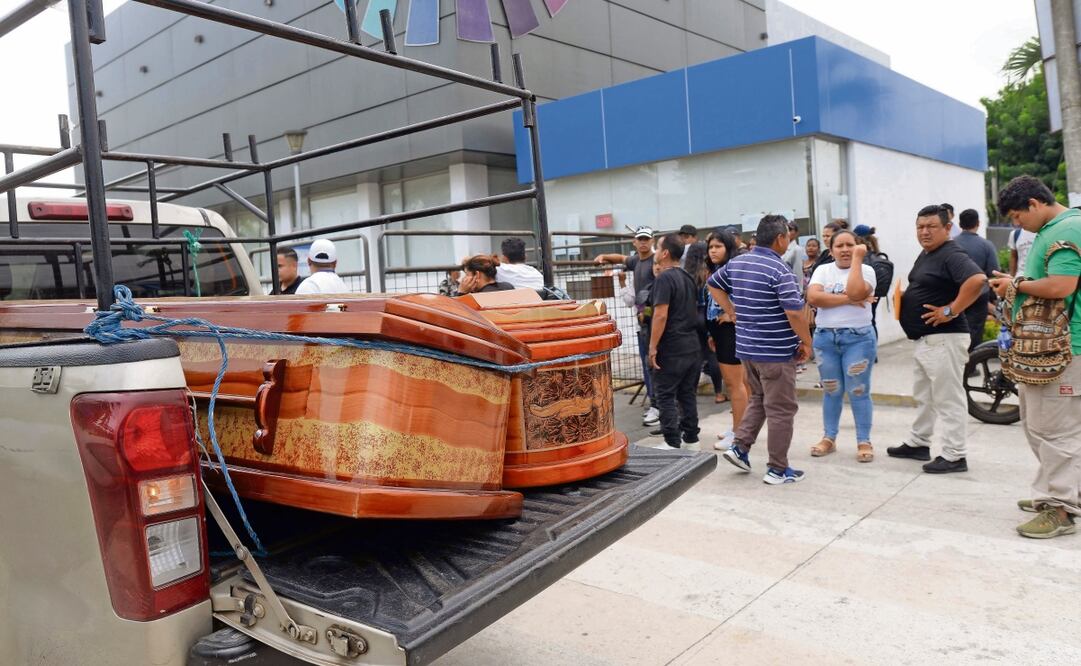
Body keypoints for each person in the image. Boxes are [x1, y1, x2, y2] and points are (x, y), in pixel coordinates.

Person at [990, 175, 1081, 539]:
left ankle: (1058, 507)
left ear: (1033, 204)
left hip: (1063, 346)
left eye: (1016, 217)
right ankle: (1064, 491)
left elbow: (1062, 286)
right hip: (1049, 347)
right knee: (1039, 423)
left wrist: (1015, 284)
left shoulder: (1068, 228)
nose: (1017, 226)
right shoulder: (1056, 227)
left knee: (1053, 429)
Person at [707, 215, 812, 485]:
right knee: (781, 410)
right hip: (775, 352)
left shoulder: (739, 262)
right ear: (780, 238)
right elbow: (794, 312)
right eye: (787, 236)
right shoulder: (780, 270)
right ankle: (778, 469)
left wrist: (731, 311)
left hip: (748, 350)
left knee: (759, 399)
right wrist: (806, 342)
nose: (788, 241)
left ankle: (740, 447)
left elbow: (712, 284)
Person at [887, 205, 987, 474]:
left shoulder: (951, 253)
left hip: (945, 338)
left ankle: (955, 455)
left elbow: (977, 279)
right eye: (920, 227)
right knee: (925, 396)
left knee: (948, 398)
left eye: (931, 226)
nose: (924, 231)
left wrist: (950, 310)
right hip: (927, 339)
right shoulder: (929, 253)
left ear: (947, 228)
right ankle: (919, 442)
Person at [806, 230, 878, 462]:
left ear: (858, 247)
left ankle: (863, 440)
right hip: (826, 338)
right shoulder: (822, 270)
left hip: (858, 338)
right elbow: (814, 298)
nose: (845, 249)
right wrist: (850, 299)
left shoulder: (866, 270)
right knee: (831, 390)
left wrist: (857, 260)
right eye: (840, 246)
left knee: (858, 390)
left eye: (850, 245)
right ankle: (829, 437)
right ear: (831, 250)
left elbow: (858, 290)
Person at [596, 227, 659, 426]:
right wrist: (604, 255)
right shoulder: (636, 261)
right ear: (634, 242)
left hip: (655, 318)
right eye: (640, 239)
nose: (643, 243)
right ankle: (657, 404)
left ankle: (659, 406)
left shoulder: (655, 261)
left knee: (654, 364)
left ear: (652, 241)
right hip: (644, 320)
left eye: (646, 239)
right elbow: (621, 258)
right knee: (649, 364)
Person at [646, 234, 702, 449]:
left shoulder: (664, 279)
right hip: (691, 345)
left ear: (666, 253)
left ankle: (671, 441)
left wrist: (652, 347)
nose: (655, 252)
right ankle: (691, 438)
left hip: (672, 346)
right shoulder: (687, 277)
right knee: (687, 393)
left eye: (658, 248)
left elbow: (660, 314)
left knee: (666, 394)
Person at [704, 229, 748, 449]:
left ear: (728, 248)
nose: (713, 251)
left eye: (718, 246)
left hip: (732, 332)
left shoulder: (734, 269)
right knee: (739, 384)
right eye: (711, 247)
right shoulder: (718, 269)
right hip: (720, 332)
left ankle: (739, 435)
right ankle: (739, 428)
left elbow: (749, 296)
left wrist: (731, 313)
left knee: (735, 384)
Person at [682, 240, 725, 403]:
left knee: (696, 356)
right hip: (706, 313)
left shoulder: (687, 273)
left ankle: (691, 393)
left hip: (691, 316)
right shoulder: (709, 271)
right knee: (712, 353)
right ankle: (719, 393)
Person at [953, 208, 1000, 351]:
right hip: (979, 294)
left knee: (955, 328)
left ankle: (958, 364)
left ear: (960, 224)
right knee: (975, 328)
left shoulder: (950, 244)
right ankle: (972, 364)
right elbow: (993, 272)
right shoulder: (986, 245)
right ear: (978, 223)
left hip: (955, 293)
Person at [781, 220, 808, 294]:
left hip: (791, 291)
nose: (787, 232)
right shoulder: (780, 248)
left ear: (796, 233)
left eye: (790, 229)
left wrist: (798, 292)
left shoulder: (797, 249)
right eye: (785, 229)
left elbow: (798, 273)